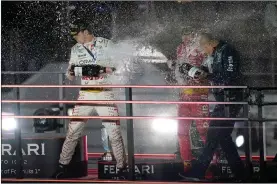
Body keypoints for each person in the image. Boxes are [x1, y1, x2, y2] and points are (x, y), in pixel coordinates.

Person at [53, 20, 127, 178]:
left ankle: (122, 168)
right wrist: (72, 73)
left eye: (77, 34)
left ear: (85, 31)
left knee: (114, 132)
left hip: (105, 93)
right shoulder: (75, 49)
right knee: (73, 131)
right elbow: (69, 74)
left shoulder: (107, 44)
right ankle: (62, 165)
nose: (75, 38)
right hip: (85, 94)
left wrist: (104, 70)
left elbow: (120, 66)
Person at [180, 32, 245, 181]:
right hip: (224, 99)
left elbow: (229, 77)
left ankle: (198, 172)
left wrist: (206, 76)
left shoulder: (227, 51)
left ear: (210, 44)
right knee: (223, 137)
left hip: (230, 99)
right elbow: (209, 72)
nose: (204, 52)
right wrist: (192, 70)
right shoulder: (214, 54)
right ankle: (241, 174)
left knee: (212, 135)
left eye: (204, 48)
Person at [168, 27, 210, 167]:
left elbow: (208, 72)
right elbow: (179, 72)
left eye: (189, 34)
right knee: (181, 132)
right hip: (184, 96)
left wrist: (195, 73)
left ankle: (212, 163)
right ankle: (187, 164)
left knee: (204, 131)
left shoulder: (202, 48)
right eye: (183, 34)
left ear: (195, 35)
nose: (185, 37)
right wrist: (173, 66)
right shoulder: (179, 48)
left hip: (199, 96)